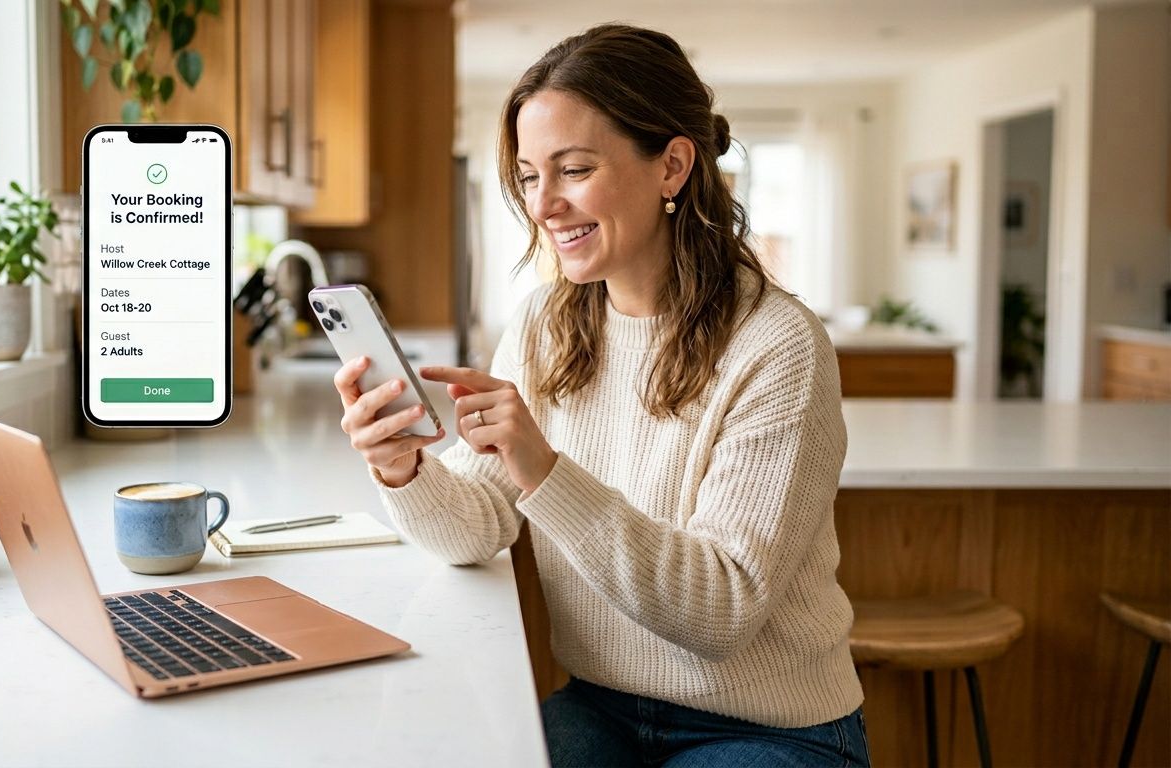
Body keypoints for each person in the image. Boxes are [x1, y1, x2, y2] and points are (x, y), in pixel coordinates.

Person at [332, 23, 869, 768]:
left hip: (764, 727)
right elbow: (475, 527)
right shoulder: (544, 325)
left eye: (574, 170)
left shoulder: (778, 344)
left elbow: (723, 610)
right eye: (529, 176)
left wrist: (544, 469)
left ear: (672, 166)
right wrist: (404, 468)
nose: (543, 204)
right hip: (602, 705)